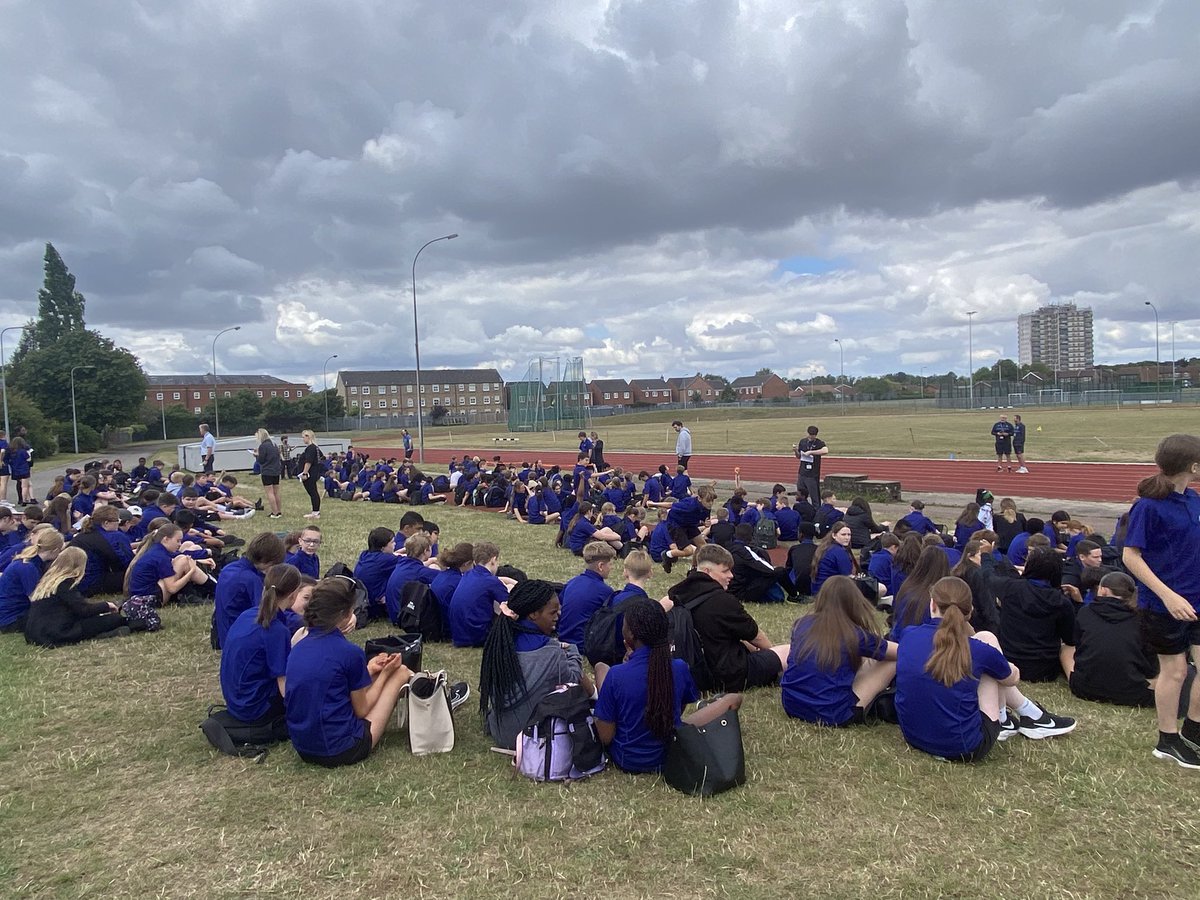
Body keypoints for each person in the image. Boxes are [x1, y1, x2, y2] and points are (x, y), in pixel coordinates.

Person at [896, 576, 1076, 763]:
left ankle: (1027, 715)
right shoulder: (979, 651)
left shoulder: (908, 635)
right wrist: (1004, 664)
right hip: (965, 747)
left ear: (932, 604)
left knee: (984, 646)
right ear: (969, 611)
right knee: (989, 651)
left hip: (914, 736)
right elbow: (1012, 679)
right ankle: (1020, 716)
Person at [1121, 433, 1200, 768]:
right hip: (1163, 604)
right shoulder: (1148, 506)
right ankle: (1167, 740)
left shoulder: (1193, 499)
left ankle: (1194, 729)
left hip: (1197, 599)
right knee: (1176, 671)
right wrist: (1168, 596)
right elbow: (1130, 556)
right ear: (1193, 467)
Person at [594, 598, 742, 773]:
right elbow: (679, 708)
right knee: (734, 698)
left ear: (631, 634)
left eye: (624, 625)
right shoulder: (679, 667)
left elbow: (605, 737)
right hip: (672, 753)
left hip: (629, 760)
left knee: (601, 667)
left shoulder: (617, 675)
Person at [285, 576, 413, 767]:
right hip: (341, 750)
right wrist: (386, 674)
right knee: (401, 672)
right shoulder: (349, 652)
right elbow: (362, 710)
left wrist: (369, 670)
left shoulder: (298, 647)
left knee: (377, 676)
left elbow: (330, 682)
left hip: (303, 747)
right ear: (345, 614)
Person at [479, 579, 593, 750]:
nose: (558, 616)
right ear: (533, 614)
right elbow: (573, 678)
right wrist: (572, 651)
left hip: (501, 731)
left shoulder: (500, 642)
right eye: (553, 612)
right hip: (531, 739)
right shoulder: (552, 654)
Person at [666, 544, 789, 691]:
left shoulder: (676, 594)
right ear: (707, 571)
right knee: (789, 651)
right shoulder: (722, 601)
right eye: (725, 571)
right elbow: (755, 636)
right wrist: (771, 653)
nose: (731, 575)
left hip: (696, 673)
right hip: (729, 676)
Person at [780, 576, 898, 727]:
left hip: (791, 705)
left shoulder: (801, 624)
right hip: (832, 714)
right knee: (892, 661)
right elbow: (901, 652)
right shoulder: (854, 634)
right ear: (854, 602)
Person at [219, 564, 305, 743]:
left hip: (235, 700)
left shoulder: (248, 615)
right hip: (254, 709)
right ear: (293, 595)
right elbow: (285, 688)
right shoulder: (276, 630)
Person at [1069, 572, 1157, 708]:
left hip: (1084, 688)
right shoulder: (1143, 619)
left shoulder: (1085, 612)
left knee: (1066, 648)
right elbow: (1150, 662)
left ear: (1103, 590)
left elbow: (1077, 644)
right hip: (1133, 694)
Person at [996, 548, 1075, 682]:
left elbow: (987, 579)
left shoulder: (1010, 588)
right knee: (1069, 647)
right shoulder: (1061, 602)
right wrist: (1078, 603)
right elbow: (1070, 638)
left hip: (1009, 660)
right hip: (1044, 667)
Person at [24, 547, 128, 647]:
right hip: (58, 633)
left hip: (35, 633)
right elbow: (83, 610)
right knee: (115, 619)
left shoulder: (48, 581)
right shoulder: (65, 583)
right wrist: (106, 605)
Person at [213, 532, 287, 649]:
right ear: (267, 561)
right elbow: (265, 613)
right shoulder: (251, 580)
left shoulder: (229, 568)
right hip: (240, 639)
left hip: (225, 635)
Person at [124, 523, 208, 606]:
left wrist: (198, 561)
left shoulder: (156, 549)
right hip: (148, 599)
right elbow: (172, 588)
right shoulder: (161, 556)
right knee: (183, 561)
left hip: (140, 595)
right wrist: (192, 571)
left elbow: (178, 556)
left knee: (181, 559)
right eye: (178, 541)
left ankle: (201, 590)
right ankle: (210, 589)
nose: (180, 544)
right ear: (166, 539)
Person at [557, 541, 616, 647]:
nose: (612, 568)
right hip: (583, 644)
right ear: (601, 566)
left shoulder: (572, 582)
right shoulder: (605, 591)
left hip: (563, 637)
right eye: (610, 564)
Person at [449, 542, 508, 648]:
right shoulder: (491, 581)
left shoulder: (467, 575)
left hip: (458, 635)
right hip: (477, 636)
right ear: (493, 560)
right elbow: (511, 603)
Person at [72, 507, 132, 596]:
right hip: (93, 583)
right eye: (117, 521)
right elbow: (126, 563)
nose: (118, 524)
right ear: (106, 523)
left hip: (75, 583)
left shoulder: (81, 536)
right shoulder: (116, 537)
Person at [384, 533, 438, 625]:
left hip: (394, 613)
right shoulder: (420, 571)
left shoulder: (402, 563)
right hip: (405, 617)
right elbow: (442, 578)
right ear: (425, 551)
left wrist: (431, 560)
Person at [661, 484, 717, 572]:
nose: (710, 503)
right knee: (689, 551)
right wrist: (653, 504)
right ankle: (667, 554)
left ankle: (694, 568)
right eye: (708, 501)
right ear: (699, 499)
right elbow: (671, 505)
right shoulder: (689, 505)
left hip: (689, 524)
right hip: (676, 525)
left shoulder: (706, 506)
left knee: (702, 546)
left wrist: (706, 523)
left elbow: (705, 519)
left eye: (712, 501)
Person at [354, 527, 400, 618]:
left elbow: (395, 556)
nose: (395, 544)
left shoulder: (365, 554)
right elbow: (411, 562)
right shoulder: (385, 560)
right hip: (376, 606)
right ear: (383, 547)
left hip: (363, 600)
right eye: (392, 542)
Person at [253, 428, 283, 519]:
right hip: (276, 470)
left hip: (267, 471)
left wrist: (256, 455)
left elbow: (261, 460)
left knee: (270, 492)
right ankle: (279, 511)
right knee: (276, 492)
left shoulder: (263, 446)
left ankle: (274, 513)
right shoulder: (274, 445)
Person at [794, 425, 828, 504]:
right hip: (802, 472)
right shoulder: (803, 442)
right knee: (800, 494)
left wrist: (811, 452)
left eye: (813, 436)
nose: (811, 437)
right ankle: (802, 507)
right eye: (810, 435)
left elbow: (825, 451)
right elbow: (799, 456)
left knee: (814, 495)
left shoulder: (819, 443)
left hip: (812, 474)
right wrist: (795, 451)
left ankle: (816, 509)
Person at [298, 430, 322, 519]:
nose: (303, 439)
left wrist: (305, 473)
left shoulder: (311, 448)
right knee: (313, 492)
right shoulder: (315, 447)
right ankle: (315, 511)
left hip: (310, 473)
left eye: (303, 437)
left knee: (313, 492)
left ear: (308, 437)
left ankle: (315, 512)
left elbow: (308, 462)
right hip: (314, 472)